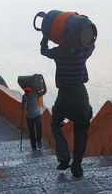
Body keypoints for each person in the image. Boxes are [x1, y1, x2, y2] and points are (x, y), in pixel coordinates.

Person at [40, 36, 95, 177]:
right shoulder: (82, 53)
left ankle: (64, 158)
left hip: (63, 96)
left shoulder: (58, 53)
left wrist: (45, 37)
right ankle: (76, 167)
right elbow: (91, 42)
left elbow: (44, 51)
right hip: (80, 96)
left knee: (56, 124)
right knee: (81, 130)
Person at [22, 86, 43, 150]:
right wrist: (22, 106)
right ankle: (33, 146)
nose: (27, 93)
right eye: (26, 91)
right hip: (29, 117)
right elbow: (22, 104)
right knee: (31, 132)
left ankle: (39, 141)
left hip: (37, 115)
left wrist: (43, 80)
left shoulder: (36, 94)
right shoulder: (24, 96)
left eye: (28, 91)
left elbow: (44, 91)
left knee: (39, 130)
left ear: (31, 91)